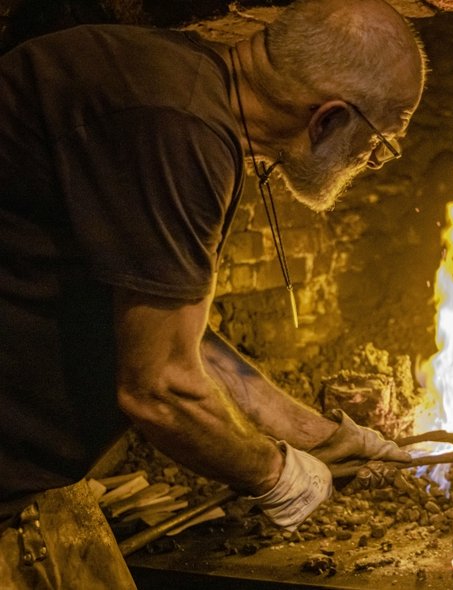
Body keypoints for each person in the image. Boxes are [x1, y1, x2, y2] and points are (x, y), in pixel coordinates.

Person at [0, 0, 427, 587]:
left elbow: (173, 332)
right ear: (328, 119)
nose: (370, 163)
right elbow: (160, 388)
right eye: (380, 144)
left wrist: (316, 435)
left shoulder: (185, 91)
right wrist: (276, 475)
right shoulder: (178, 128)